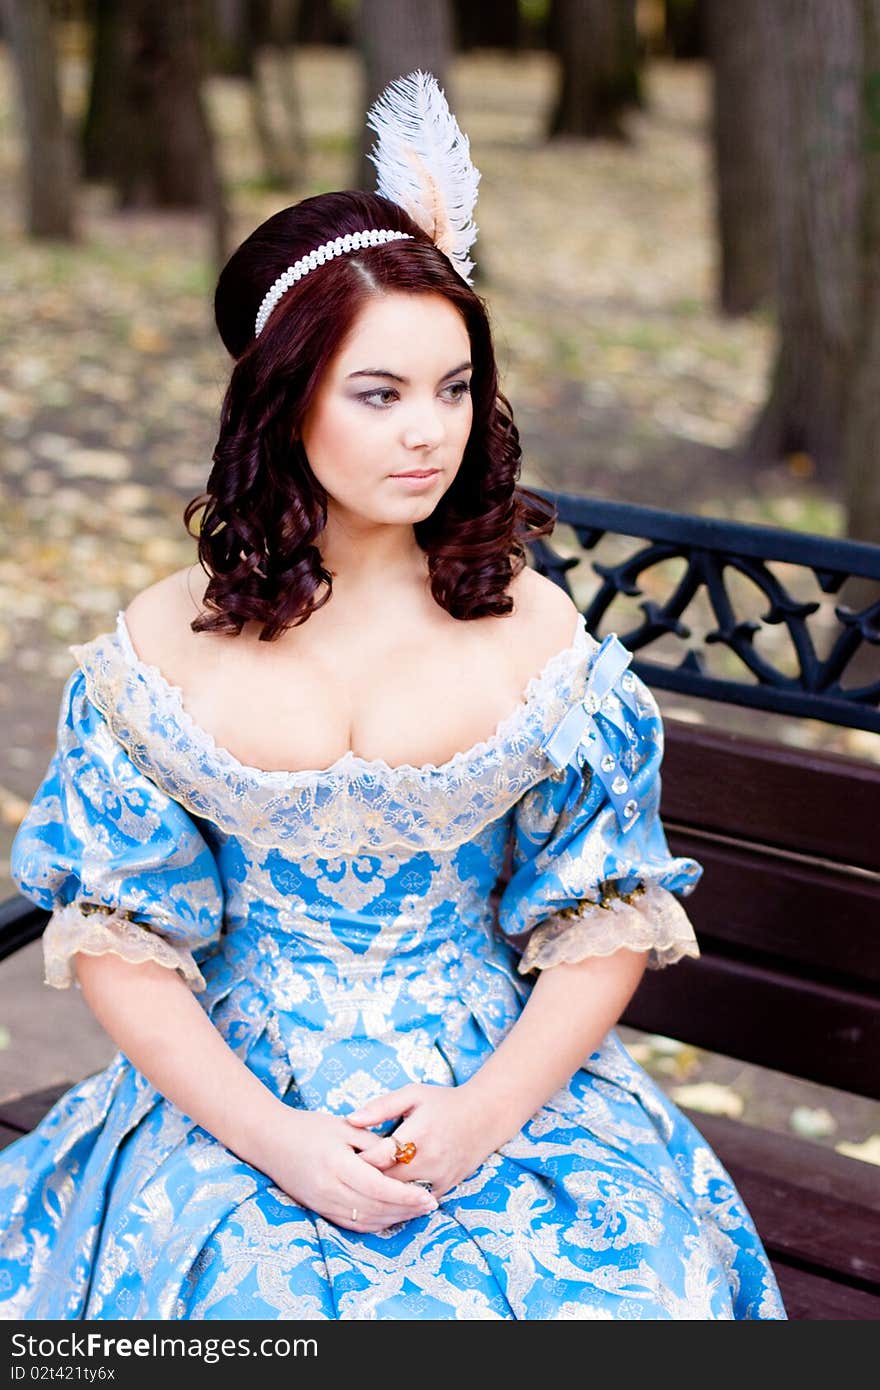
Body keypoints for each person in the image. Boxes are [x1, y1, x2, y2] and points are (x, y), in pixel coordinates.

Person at [0, 73, 785, 1321]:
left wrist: (478, 1118)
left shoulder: (536, 634)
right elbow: (124, 936)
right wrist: (278, 1140)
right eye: (380, 392)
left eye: (455, 387)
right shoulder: (157, 649)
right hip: (236, 1094)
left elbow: (605, 912)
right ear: (285, 396)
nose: (431, 433)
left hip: (499, 1084)